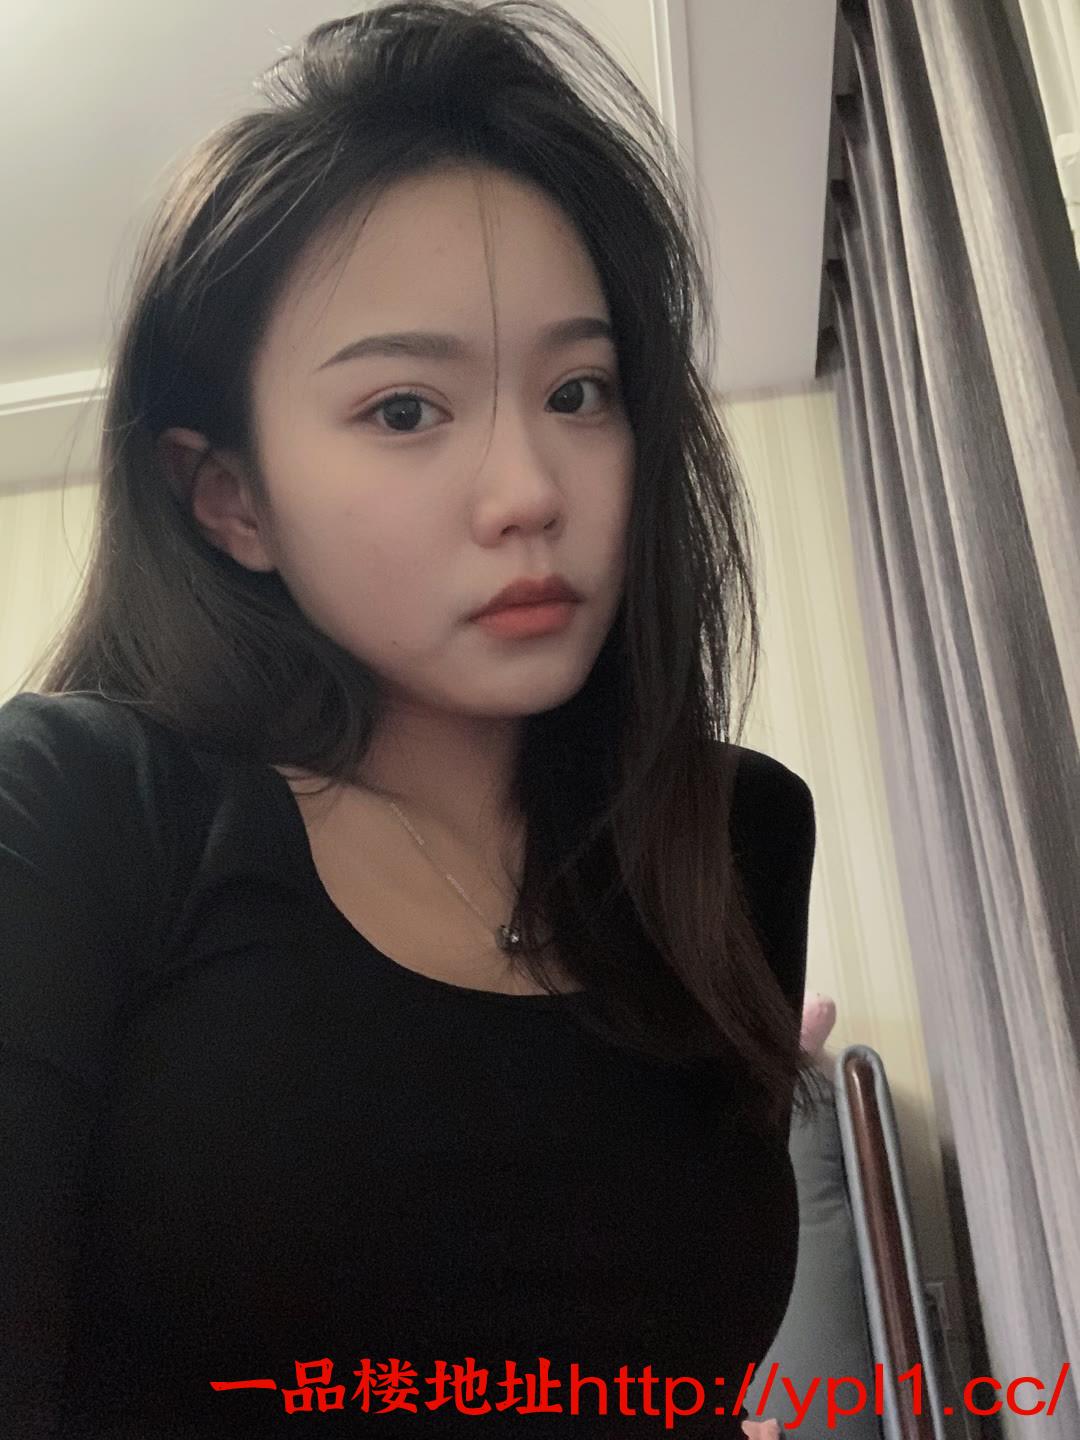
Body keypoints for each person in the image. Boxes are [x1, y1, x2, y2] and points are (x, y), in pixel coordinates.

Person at [0, 2, 817, 1436]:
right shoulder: (76, 811)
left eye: (579, 391)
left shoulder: (732, 834)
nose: (531, 490)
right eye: (403, 411)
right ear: (232, 500)